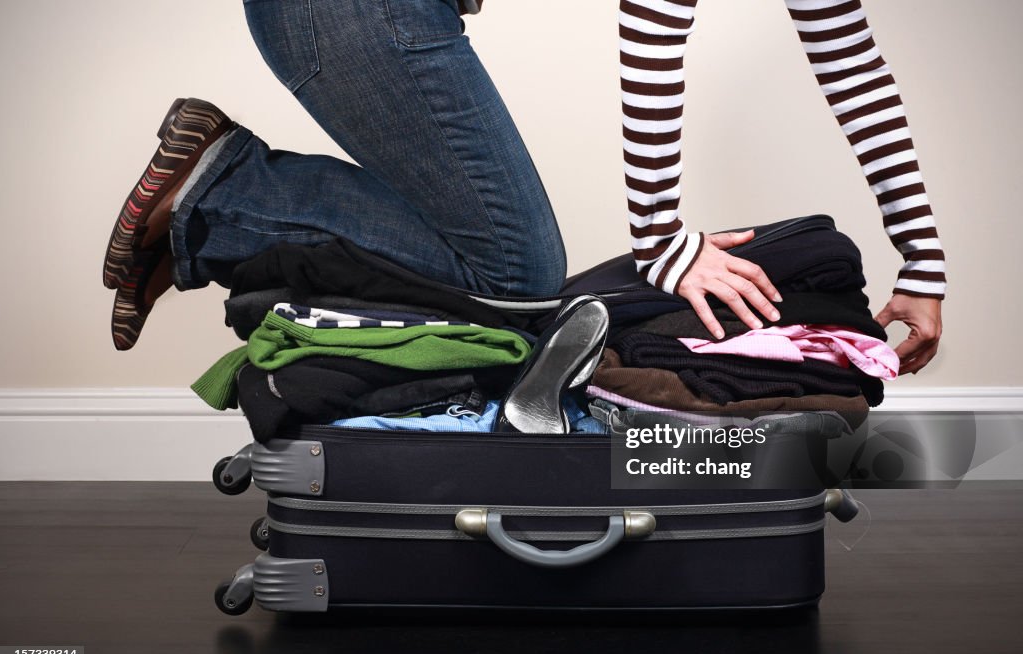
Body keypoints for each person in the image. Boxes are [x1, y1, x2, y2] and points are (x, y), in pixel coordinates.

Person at [102, 0, 942, 377]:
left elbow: (848, 55)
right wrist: (663, 242)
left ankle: (206, 221)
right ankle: (221, 195)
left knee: (511, 267)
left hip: (378, 11)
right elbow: (656, 14)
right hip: (354, 9)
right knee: (517, 274)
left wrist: (924, 264)